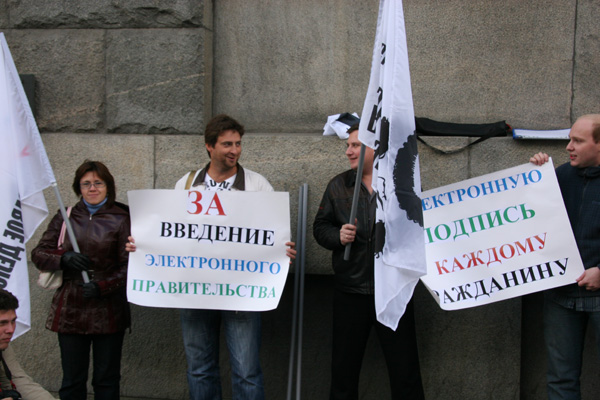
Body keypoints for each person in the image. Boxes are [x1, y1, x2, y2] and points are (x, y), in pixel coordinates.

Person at [126, 114, 295, 400]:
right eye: (227, 144)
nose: (235, 150)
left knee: (246, 371)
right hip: (194, 291)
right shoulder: (187, 184)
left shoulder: (257, 185)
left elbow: (271, 234)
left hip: (241, 293)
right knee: (199, 369)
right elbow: (168, 231)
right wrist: (141, 245)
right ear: (209, 146)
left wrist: (281, 251)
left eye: (238, 144)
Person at [313, 124, 425, 400]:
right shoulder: (338, 185)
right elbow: (320, 227)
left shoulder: (401, 183)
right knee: (344, 373)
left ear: (375, 147)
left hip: (394, 291)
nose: (349, 151)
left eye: (355, 145)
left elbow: (421, 225)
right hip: (351, 292)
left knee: (405, 372)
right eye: (348, 146)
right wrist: (337, 236)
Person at [32, 161, 131, 400]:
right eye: (86, 184)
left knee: (106, 380)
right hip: (71, 308)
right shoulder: (65, 216)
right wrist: (63, 258)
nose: (92, 188)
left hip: (108, 309)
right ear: (79, 188)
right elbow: (38, 253)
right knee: (72, 380)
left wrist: (103, 286)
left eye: (98, 183)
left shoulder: (122, 218)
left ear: (108, 186)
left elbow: (130, 266)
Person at [530, 114, 600, 400]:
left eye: (578, 141)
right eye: (569, 139)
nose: (569, 147)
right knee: (560, 380)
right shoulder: (559, 175)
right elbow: (529, 220)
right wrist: (534, 178)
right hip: (560, 296)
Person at [0, 289, 56, 400]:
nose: (11, 330)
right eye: (2, 323)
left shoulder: (2, 344)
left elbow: (18, 380)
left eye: (13, 321)